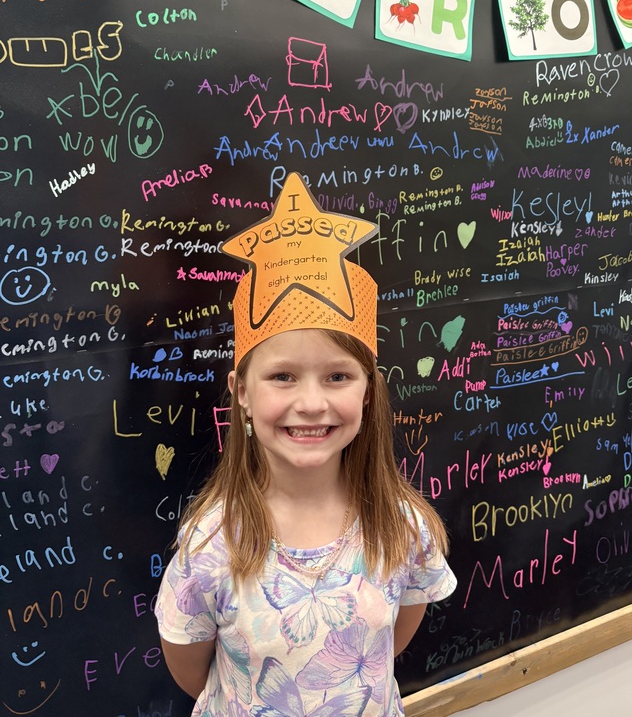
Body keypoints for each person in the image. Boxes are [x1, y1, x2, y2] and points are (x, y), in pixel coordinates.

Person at [156, 172, 456, 717]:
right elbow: (191, 670)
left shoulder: (402, 527)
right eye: (283, 377)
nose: (313, 403)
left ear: (369, 393)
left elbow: (391, 641)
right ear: (241, 393)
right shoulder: (211, 547)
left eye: (339, 377)